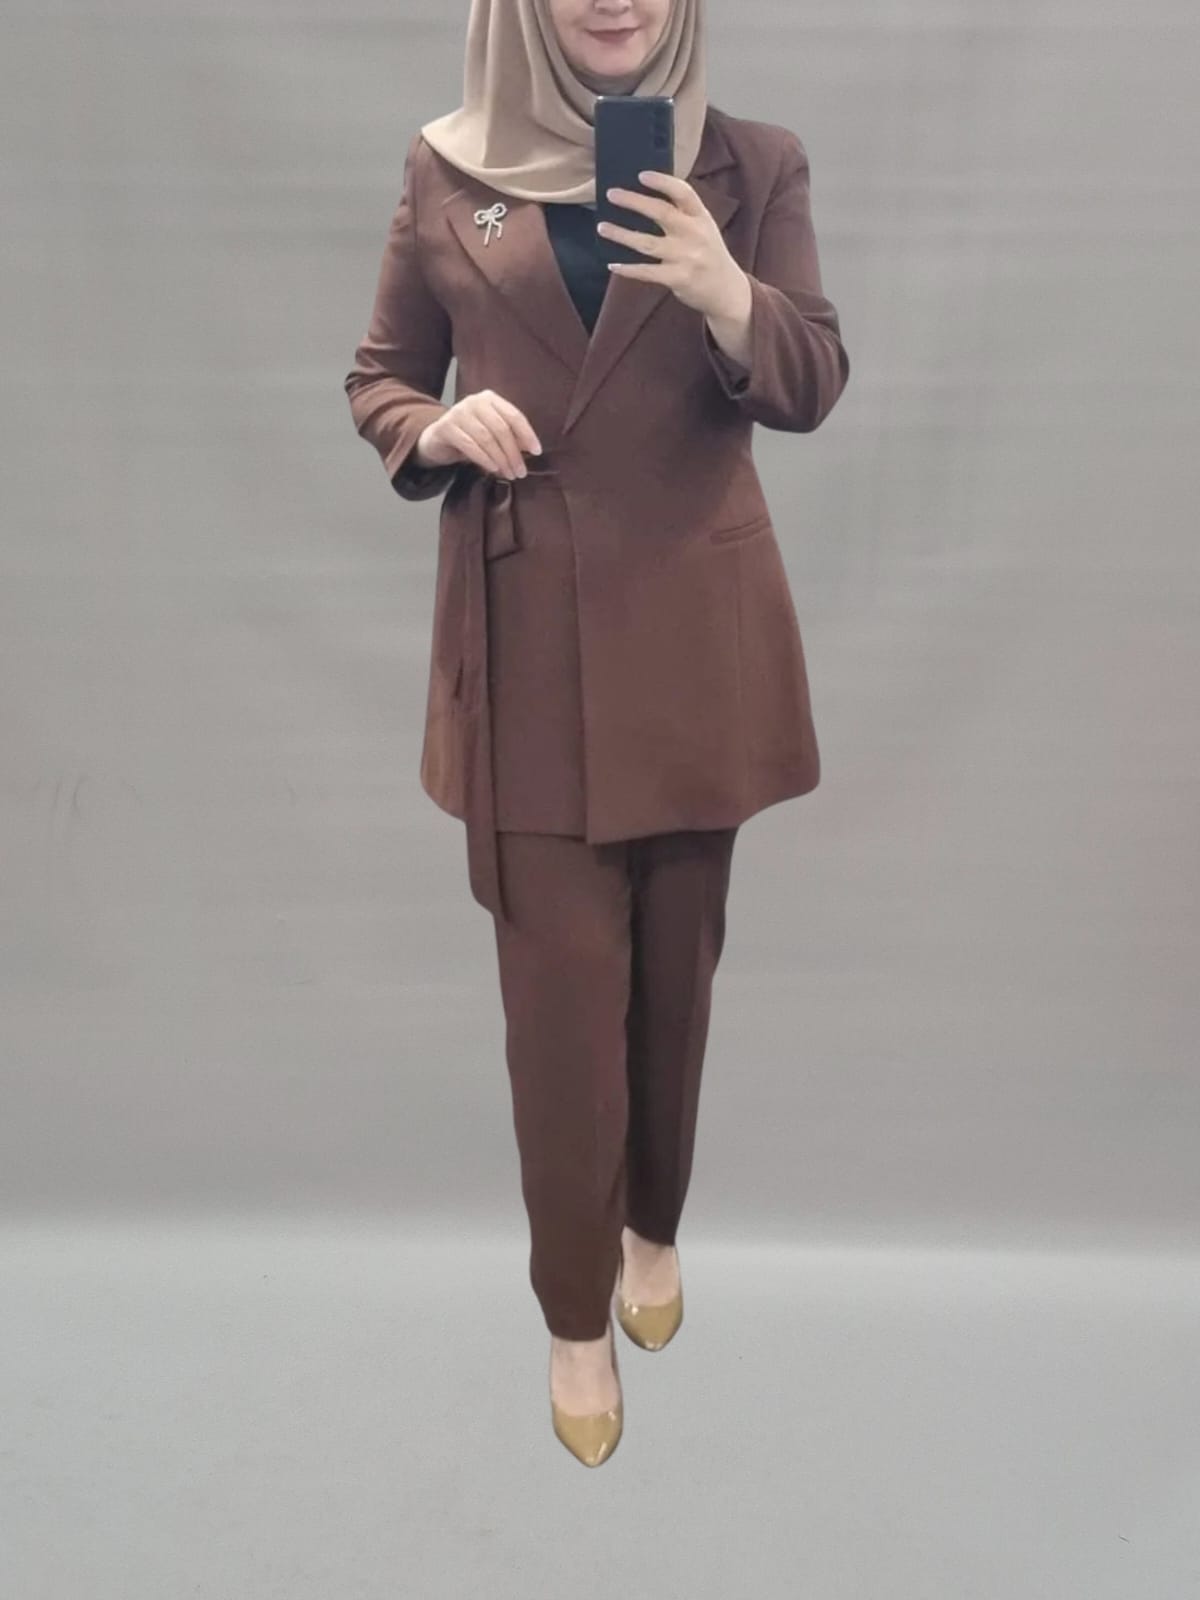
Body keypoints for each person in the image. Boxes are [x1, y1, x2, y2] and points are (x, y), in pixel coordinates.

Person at [343, 0, 849, 1467]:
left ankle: (654, 1229)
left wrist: (728, 293)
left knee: (676, 986)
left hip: (699, 644)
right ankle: (575, 1318)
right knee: (560, 1013)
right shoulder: (448, 169)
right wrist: (433, 430)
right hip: (532, 652)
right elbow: (380, 375)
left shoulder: (752, 165)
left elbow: (813, 379)